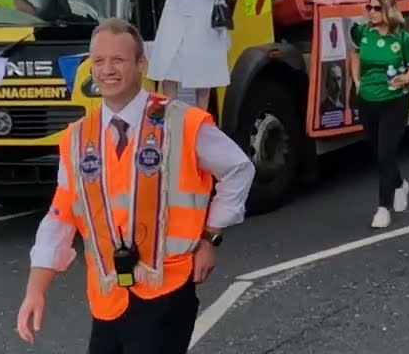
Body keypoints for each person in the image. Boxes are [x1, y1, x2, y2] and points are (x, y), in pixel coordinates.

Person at [17, 18, 254, 354]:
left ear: (141, 64)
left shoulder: (181, 122)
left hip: (167, 288)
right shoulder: (78, 137)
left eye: (118, 60)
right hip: (107, 295)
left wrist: (210, 237)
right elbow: (60, 217)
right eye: (98, 61)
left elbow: (239, 169)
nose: (107, 70)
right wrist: (36, 290)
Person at [347, 0, 409, 229]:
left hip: (394, 101)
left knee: (385, 153)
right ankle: (399, 183)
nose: (371, 12)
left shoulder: (402, 39)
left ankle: (383, 208)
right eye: (369, 8)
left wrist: (406, 78)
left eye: (376, 8)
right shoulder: (362, 33)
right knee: (378, 151)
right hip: (368, 100)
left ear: (388, 10)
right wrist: (357, 82)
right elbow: (355, 55)